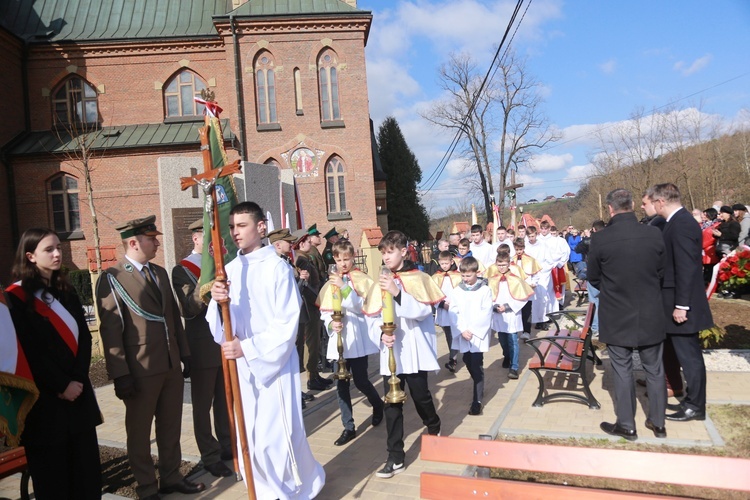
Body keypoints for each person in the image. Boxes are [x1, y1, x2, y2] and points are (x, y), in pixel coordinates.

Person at [207, 202, 325, 498]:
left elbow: (286, 325)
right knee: (251, 436)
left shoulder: (277, 268)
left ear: (261, 227)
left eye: (242, 225)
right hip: (243, 369)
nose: (235, 232)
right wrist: (215, 298)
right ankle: (261, 491)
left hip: (272, 365)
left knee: (275, 438)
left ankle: (288, 490)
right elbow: (219, 325)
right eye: (232, 226)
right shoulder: (230, 270)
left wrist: (246, 347)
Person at [96, 215, 203, 499]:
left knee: (170, 427)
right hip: (140, 369)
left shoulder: (159, 273)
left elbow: (171, 318)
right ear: (133, 242)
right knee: (140, 434)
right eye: (150, 238)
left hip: (169, 365)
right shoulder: (113, 278)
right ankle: (146, 487)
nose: (156, 242)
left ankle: (170, 477)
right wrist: (120, 374)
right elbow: (111, 330)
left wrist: (185, 354)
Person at [7, 228, 102, 499]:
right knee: (54, 483)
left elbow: (84, 339)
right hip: (45, 406)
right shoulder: (15, 298)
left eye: (58, 247)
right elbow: (28, 351)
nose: (58, 253)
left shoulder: (66, 290)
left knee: (87, 478)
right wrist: (62, 384)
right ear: (31, 256)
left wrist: (77, 380)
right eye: (49, 249)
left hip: (79, 397)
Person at [588, 189, 668, 441]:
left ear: (610, 209)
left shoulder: (601, 239)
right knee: (654, 369)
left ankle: (627, 425)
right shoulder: (653, 233)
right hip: (650, 310)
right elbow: (661, 271)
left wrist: (614, 291)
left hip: (617, 312)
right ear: (633, 205)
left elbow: (593, 278)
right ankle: (658, 423)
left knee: (622, 369)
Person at [376, 230, 444, 479]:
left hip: (413, 350)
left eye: (390, 251)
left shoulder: (420, 277)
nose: (386, 257)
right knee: (391, 405)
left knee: (421, 396)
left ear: (403, 251)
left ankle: (433, 425)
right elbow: (373, 314)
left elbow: (422, 312)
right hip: (392, 351)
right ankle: (395, 457)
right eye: (383, 253)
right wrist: (381, 334)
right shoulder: (382, 279)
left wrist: (397, 292)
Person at [171, 219, 232, 477]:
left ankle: (228, 445)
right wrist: (207, 279)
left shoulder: (224, 263)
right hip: (202, 344)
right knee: (203, 403)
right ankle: (209, 454)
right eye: (207, 237)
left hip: (226, 340)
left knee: (225, 398)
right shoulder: (182, 269)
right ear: (196, 238)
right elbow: (189, 308)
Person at [647, 183, 713, 422]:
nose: (653, 207)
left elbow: (686, 268)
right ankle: (691, 402)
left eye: (653, 202)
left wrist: (682, 306)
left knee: (690, 358)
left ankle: (696, 406)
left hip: (682, 305)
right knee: (685, 355)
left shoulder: (682, 224)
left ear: (661, 202)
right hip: (674, 301)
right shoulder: (676, 222)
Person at [318, 239, 385, 446]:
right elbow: (325, 311)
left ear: (353, 257)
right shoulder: (331, 280)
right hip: (339, 339)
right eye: (339, 259)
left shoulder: (361, 279)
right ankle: (348, 426)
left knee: (362, 380)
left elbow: (361, 306)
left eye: (346, 259)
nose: (343, 263)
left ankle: (378, 405)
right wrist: (331, 324)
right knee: (341, 385)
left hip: (356, 338)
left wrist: (345, 289)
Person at [269, 228, 317, 408]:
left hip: (295, 314)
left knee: (295, 354)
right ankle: (292, 393)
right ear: (278, 244)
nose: (292, 244)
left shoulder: (286, 260)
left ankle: (296, 390)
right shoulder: (276, 264)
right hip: (285, 318)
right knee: (289, 355)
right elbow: (284, 293)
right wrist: (301, 280)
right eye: (288, 242)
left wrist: (302, 280)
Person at [449, 256, 493, 415]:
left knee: (476, 363)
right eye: (463, 276)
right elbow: (453, 311)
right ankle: (478, 381)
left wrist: (472, 330)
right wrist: (461, 329)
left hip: (476, 334)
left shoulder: (485, 290)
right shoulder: (457, 291)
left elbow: (486, 312)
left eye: (468, 276)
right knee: (467, 360)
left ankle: (477, 400)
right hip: (463, 333)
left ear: (477, 272)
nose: (465, 279)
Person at [294, 229, 333, 392]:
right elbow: (306, 288)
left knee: (315, 342)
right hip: (310, 307)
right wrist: (317, 302)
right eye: (308, 241)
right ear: (301, 243)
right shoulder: (301, 261)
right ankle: (312, 377)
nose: (311, 243)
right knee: (311, 343)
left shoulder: (306, 259)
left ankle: (315, 375)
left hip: (313, 305)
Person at [488, 252, 534, 380]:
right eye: (499, 265)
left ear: (509, 264)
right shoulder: (492, 280)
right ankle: (506, 355)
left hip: (511, 314)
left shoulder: (516, 279)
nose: (501, 267)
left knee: (513, 340)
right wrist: (494, 306)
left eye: (504, 264)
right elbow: (487, 296)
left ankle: (514, 367)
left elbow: (523, 298)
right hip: (498, 314)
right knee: (502, 339)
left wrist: (507, 306)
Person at [432, 250, 461, 372]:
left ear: (451, 261)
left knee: (455, 334)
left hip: (456, 309)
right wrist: (442, 304)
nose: (444, 266)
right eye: (442, 263)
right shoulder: (435, 277)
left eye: (446, 263)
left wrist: (454, 305)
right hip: (443, 310)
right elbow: (432, 293)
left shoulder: (458, 275)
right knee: (449, 334)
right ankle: (453, 358)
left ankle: (452, 359)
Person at [524, 226, 557, 330]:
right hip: (529, 275)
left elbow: (550, 261)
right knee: (530, 299)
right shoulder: (525, 246)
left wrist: (541, 270)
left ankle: (542, 320)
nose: (531, 238)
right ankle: (529, 321)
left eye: (533, 236)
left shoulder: (543, 246)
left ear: (536, 234)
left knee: (542, 298)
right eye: (529, 236)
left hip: (542, 274)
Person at [512, 238, 541, 339]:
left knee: (527, 311)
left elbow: (536, 274)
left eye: (520, 249)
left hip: (527, 288)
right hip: (516, 290)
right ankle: (516, 331)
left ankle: (527, 331)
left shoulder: (530, 259)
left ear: (523, 248)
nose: (519, 251)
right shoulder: (512, 260)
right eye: (517, 249)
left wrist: (534, 282)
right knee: (516, 311)